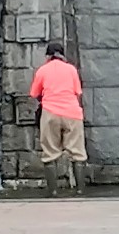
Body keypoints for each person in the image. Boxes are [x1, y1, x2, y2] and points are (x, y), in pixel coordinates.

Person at [29, 40, 87, 193]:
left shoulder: (42, 70)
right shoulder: (71, 70)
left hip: (50, 113)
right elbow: (77, 92)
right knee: (77, 153)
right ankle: (80, 191)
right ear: (62, 56)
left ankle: (53, 192)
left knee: (50, 153)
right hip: (72, 113)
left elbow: (34, 93)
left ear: (48, 56)